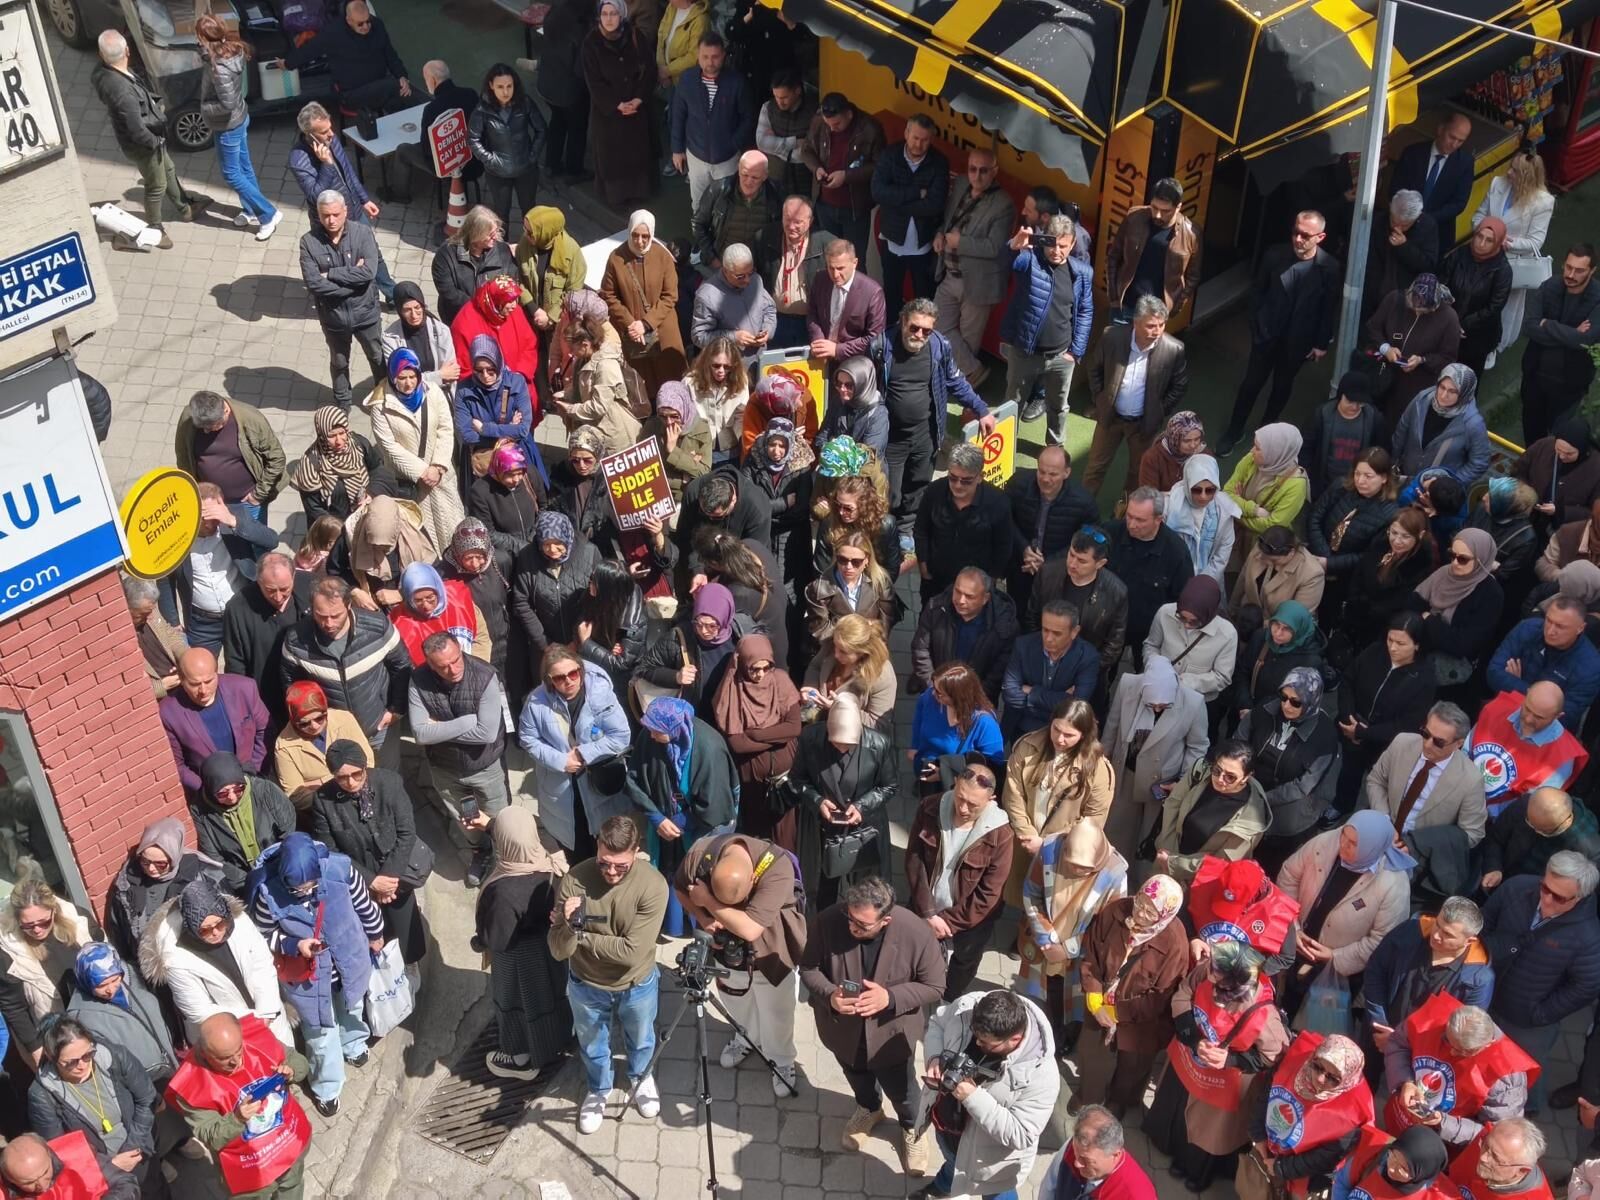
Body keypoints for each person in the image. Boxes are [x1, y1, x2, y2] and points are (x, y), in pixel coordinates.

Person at [799, 875, 944, 1173]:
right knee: (856, 1075)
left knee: (903, 1089)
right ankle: (869, 1108)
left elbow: (935, 986)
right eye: (850, 918)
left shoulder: (915, 931)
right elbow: (809, 968)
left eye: (863, 925)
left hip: (890, 1035)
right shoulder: (828, 921)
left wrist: (889, 998)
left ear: (886, 920)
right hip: (843, 1029)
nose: (853, 927)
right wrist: (830, 996)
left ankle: (912, 1128)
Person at [247, 834, 383, 1117]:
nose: (306, 892)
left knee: (352, 1005)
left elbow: (364, 906)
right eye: (297, 889)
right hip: (307, 978)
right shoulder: (267, 893)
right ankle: (327, 1087)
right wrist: (292, 945)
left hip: (348, 960)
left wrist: (376, 933)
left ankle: (354, 1043)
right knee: (319, 1032)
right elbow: (261, 935)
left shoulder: (341, 869)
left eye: (312, 885)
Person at [545, 814, 667, 1129]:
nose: (611, 872)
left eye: (620, 866)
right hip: (586, 984)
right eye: (603, 863)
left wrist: (583, 935)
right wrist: (570, 926)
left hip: (636, 984)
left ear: (636, 851)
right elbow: (559, 950)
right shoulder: (574, 881)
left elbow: (631, 953)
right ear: (597, 849)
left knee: (641, 1038)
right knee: (591, 1043)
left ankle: (641, 1077)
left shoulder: (653, 886)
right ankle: (599, 1088)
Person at [1145, 939, 1290, 1192]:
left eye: (1217, 973)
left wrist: (1230, 1059)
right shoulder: (1209, 970)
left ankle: (1196, 1172)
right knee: (1177, 1111)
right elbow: (1184, 994)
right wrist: (1193, 1038)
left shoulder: (1263, 1015)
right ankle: (1171, 1151)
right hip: (1189, 1060)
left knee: (1208, 1131)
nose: (1208, 973)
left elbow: (1273, 1056)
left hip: (1223, 1082)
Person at [674, 830, 806, 1093]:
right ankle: (746, 1036)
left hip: (770, 950)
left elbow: (749, 929)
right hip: (725, 950)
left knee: (776, 1010)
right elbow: (680, 890)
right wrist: (704, 919)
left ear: (752, 880)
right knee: (734, 996)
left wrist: (709, 902)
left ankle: (780, 1059)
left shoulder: (777, 867)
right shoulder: (700, 855)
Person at [1482, 853, 1600, 1111]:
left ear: (1579, 898)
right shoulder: (1517, 887)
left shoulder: (1587, 937)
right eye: (1545, 888)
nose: (1546, 899)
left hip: (1528, 1022)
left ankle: (1526, 1111)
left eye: (1559, 897)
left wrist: (1541, 1013)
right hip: (1486, 997)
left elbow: (1586, 986)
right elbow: (1486, 921)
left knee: (1524, 1072)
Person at [918, 989, 1059, 1199]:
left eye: (986, 1043)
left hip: (989, 1163)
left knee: (998, 1194)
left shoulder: (1042, 1076)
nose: (977, 1044)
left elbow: (1021, 1134)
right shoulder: (966, 1008)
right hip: (949, 1133)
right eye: (975, 1036)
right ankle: (940, 1188)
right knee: (953, 1164)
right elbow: (937, 1024)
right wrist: (934, 1058)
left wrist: (972, 1097)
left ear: (1015, 1039)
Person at [1220, 211, 1341, 455]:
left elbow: (1328, 307)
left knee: (1282, 387)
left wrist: (1321, 342)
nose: (1298, 239)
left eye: (1305, 235)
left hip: (1298, 342)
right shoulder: (1275, 255)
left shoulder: (1329, 268)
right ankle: (1234, 431)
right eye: (1295, 232)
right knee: (1251, 384)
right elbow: (1257, 292)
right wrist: (1257, 325)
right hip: (1267, 335)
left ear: (1320, 237)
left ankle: (1266, 433)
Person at [1277, 811, 1413, 1021]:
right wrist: (1291, 925)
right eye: (1344, 836)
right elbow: (1289, 874)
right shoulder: (1326, 842)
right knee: (1279, 1000)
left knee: (1313, 1024)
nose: (1343, 844)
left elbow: (1382, 941)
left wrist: (1334, 957)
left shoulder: (1394, 885)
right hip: (1295, 941)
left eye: (1353, 843)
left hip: (1339, 971)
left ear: (1373, 847)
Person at [165, 1013, 311, 1198]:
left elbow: (299, 1062)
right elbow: (211, 1136)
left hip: (287, 1147)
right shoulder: (192, 1084)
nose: (236, 1061)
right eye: (225, 1058)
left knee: (292, 1187)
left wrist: (291, 1071)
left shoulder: (257, 1038)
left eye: (239, 1051)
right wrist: (237, 1119)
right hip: (252, 1171)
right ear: (204, 1053)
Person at [309, 741, 428, 968]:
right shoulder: (323, 800)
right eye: (342, 777)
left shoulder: (389, 783)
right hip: (360, 880)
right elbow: (330, 850)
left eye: (357, 774)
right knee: (374, 935)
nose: (351, 782)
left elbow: (406, 832)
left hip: (396, 875)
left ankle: (411, 967)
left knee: (405, 931)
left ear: (365, 767)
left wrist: (389, 879)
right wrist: (372, 881)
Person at [28, 1017, 176, 1200]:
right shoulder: (42, 1095)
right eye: (71, 1062)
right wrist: (111, 1165)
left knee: (154, 1189)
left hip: (138, 1146)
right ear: (51, 1057)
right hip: (100, 1168)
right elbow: (61, 1148)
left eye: (87, 1055)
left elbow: (146, 1098)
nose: (82, 1065)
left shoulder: (114, 1056)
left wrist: (133, 1146)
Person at [138, 875, 292, 1050]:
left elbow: (263, 966)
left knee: (290, 1067)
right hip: (226, 1042)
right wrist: (256, 1021)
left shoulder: (241, 923)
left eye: (220, 924)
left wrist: (267, 1012)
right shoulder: (175, 957)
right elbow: (198, 1010)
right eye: (204, 930)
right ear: (191, 927)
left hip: (271, 1018)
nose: (216, 933)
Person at [91, 31, 211, 251]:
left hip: (148, 140)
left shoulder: (102, 73)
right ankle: (155, 229)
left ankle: (186, 209)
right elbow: (136, 129)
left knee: (169, 169)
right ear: (127, 50)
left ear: (101, 54)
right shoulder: (122, 91)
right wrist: (155, 141)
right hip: (145, 145)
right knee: (156, 186)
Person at [905, 762, 1013, 999]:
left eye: (973, 804)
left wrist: (946, 923)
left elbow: (989, 894)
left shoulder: (1001, 835)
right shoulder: (930, 807)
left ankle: (950, 996)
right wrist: (928, 912)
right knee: (913, 947)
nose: (963, 808)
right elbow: (914, 860)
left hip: (971, 920)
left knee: (965, 960)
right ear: (955, 785)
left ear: (991, 799)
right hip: (925, 907)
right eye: (960, 797)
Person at [279, 577, 413, 766]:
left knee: (388, 778)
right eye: (321, 616)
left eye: (336, 615)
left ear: (349, 606)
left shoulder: (377, 627)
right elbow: (291, 682)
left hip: (379, 727)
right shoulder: (296, 640)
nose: (329, 623)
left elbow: (402, 665)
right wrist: (312, 721)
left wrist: (396, 709)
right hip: (335, 733)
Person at [636, 698, 739, 935]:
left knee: (698, 877)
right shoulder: (652, 734)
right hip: (665, 823)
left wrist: (680, 822)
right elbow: (634, 780)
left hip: (702, 828)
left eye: (656, 731)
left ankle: (700, 927)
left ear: (674, 728)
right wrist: (656, 817)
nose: (651, 735)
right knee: (669, 870)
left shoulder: (709, 749)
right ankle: (673, 926)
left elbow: (716, 807)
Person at [788, 693, 896, 906]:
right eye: (836, 743)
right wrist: (817, 801)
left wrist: (862, 806)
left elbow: (889, 786)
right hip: (823, 829)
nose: (841, 749)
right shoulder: (811, 738)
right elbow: (796, 779)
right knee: (822, 888)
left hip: (864, 828)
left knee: (868, 889)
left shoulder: (879, 743)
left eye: (848, 745)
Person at [1382, 999, 1536, 1148]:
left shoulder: (1507, 1077)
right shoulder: (1431, 1019)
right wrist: (1405, 1081)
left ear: (1487, 1044)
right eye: (1447, 1041)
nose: (1452, 1052)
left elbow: (1495, 1132)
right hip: (1400, 1117)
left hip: (1441, 1143)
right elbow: (1398, 1044)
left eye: (1463, 1051)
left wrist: (1443, 1122)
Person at [1001, 699, 1113, 898]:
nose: (1060, 739)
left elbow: (1093, 819)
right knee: (1015, 894)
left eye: (1069, 735)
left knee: (1045, 906)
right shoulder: (1028, 746)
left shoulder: (1098, 768)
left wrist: (1047, 844)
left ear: (1084, 735)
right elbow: (1013, 794)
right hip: (1024, 840)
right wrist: (1027, 833)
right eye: (1056, 729)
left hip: (1062, 852)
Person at [1101, 655, 1209, 861]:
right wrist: (1104, 754)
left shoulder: (1193, 702)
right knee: (1117, 829)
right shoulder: (1127, 684)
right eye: (1152, 704)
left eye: (1163, 706)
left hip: (1162, 781)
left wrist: (1182, 782)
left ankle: (1143, 882)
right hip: (1125, 771)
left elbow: (1197, 746)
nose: (1157, 709)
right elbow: (1113, 721)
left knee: (1151, 837)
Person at [1084, 295, 1189, 500]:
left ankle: (1124, 516)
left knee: (1137, 475)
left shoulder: (1174, 349)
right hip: (1111, 418)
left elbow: (1180, 384)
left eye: (1161, 325)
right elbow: (1094, 368)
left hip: (1144, 425)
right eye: (1151, 326)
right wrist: (1101, 399)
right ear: (1136, 322)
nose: (1157, 331)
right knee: (1094, 469)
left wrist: (1159, 409)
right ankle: (1082, 510)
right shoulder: (1112, 337)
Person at [1244, 1032, 1373, 1199]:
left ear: (1346, 1081)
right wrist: (1259, 1137)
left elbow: (1325, 1157)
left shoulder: (1354, 1113)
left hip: (1307, 1176)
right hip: (1268, 1151)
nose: (1319, 1079)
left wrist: (1281, 1168)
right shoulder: (1294, 1061)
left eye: (1332, 1078)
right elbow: (1266, 1096)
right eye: (1318, 1067)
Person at [1000, 215, 1094, 442]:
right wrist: (1013, 246)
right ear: (1043, 240)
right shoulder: (1029, 260)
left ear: (1072, 245)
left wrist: (1075, 352)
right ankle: (1004, 452)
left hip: (1062, 356)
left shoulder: (1082, 272)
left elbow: (1085, 311)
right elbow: (1005, 263)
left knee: (1059, 407)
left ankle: (1055, 447)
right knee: (1012, 405)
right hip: (1025, 353)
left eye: (1063, 246)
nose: (1056, 251)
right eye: (1051, 244)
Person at [1240, 667, 1341, 876]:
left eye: (1296, 702)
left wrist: (1261, 798)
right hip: (1246, 791)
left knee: (1264, 868)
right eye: (1283, 697)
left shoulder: (1324, 736)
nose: (1286, 705)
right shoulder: (1266, 708)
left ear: (1311, 701)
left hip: (1285, 814)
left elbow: (1304, 785)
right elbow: (1240, 740)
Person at [1334, 613, 1437, 816]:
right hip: (1353, 728)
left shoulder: (1424, 678)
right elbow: (1348, 681)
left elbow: (1408, 724)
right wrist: (1348, 717)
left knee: (1379, 788)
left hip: (1385, 745)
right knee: (1348, 773)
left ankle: (1368, 823)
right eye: (1390, 640)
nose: (1392, 647)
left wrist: (1364, 733)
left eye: (1401, 643)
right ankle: (1340, 806)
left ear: (1417, 645)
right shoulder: (1375, 652)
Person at [159, 484, 280, 654]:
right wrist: (172, 621)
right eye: (204, 517)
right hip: (202, 622)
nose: (210, 523)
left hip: (241, 611)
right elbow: (164, 579)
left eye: (214, 516)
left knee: (248, 663)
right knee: (201, 672)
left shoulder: (235, 515)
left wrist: (232, 521)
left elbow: (271, 540)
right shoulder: (175, 537)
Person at [366, 348, 466, 551]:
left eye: (413, 376)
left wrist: (438, 466)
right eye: (402, 377)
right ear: (393, 376)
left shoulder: (433, 392)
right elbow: (389, 446)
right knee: (421, 536)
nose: (409, 383)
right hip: (410, 481)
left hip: (441, 475)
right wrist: (422, 471)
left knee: (453, 527)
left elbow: (446, 429)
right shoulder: (380, 405)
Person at [1364, 896, 1494, 1049]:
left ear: (1469, 941)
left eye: (1447, 934)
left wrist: (1399, 1042)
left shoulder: (1479, 979)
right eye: (1437, 925)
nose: (1436, 935)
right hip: (1377, 1033)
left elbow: (1462, 1029)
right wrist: (1380, 1024)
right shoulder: (1410, 932)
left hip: (1421, 1052)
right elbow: (1376, 972)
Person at [299, 189, 388, 409]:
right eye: (326, 215)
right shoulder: (308, 242)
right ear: (318, 215)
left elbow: (368, 273)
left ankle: (385, 394)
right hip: (334, 318)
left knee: (377, 356)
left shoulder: (363, 233)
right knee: (339, 362)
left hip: (366, 313)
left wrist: (331, 274)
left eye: (336, 214)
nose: (331, 220)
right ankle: (342, 404)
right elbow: (314, 284)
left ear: (345, 211)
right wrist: (355, 285)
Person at [932, 147, 1015, 383]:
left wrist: (961, 243)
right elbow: (947, 220)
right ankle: (974, 371)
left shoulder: (1004, 204)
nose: (977, 176)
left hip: (979, 283)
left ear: (994, 171)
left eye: (983, 171)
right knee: (935, 323)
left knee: (969, 340)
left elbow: (995, 247)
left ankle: (963, 383)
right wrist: (941, 234)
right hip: (950, 275)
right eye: (972, 169)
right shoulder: (959, 185)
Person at [1364, 701, 1486, 847]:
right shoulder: (1402, 743)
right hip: (1379, 829)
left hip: (1420, 857)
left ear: (1458, 744)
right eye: (1425, 734)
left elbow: (1472, 834)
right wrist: (1383, 820)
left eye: (1439, 742)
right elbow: (1376, 780)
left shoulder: (1471, 780)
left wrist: (1418, 846)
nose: (1427, 744)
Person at [104, 819, 226, 966]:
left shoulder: (201, 876)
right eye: (145, 862)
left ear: (174, 857)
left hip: (197, 962)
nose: (151, 869)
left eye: (160, 864)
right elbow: (118, 932)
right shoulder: (126, 885)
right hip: (152, 969)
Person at [1475, 147, 1557, 364]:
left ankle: (1492, 346)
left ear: (1527, 176)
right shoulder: (1497, 184)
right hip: (1482, 254)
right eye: (1511, 167)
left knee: (1501, 308)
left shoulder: (1543, 202)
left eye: (1515, 171)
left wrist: (1504, 242)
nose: (1509, 173)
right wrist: (1485, 233)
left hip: (1510, 263)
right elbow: (1479, 215)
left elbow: (1534, 242)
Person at [1151, 741, 1270, 884]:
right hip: (1165, 858)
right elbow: (1173, 804)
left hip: (1198, 885)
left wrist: (1175, 863)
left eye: (1230, 777)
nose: (1220, 780)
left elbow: (1222, 862)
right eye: (1217, 770)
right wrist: (1167, 851)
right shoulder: (1200, 772)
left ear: (1246, 777)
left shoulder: (1252, 821)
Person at [67, 944, 183, 1092]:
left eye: (115, 979)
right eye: (101, 985)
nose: (111, 989)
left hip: (172, 1070)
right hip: (142, 1087)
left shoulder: (134, 980)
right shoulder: (82, 1017)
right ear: (86, 982)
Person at [0, 881, 92, 1066]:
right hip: (60, 1037)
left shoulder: (79, 921)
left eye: (44, 922)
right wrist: (36, 1052)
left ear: (54, 910)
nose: (36, 930)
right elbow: (14, 1010)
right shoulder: (8, 952)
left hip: (97, 1018)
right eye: (27, 925)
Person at [158, 649, 270, 799]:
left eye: (209, 681)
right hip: (212, 795)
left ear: (217, 674)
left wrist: (253, 770)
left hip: (254, 780)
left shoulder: (244, 688)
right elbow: (177, 764)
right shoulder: (169, 712)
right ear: (182, 681)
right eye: (194, 684)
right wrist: (210, 789)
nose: (203, 690)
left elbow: (265, 731)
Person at [600, 212, 688, 393]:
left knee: (671, 382)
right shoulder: (616, 258)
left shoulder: (663, 257)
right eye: (635, 235)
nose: (640, 241)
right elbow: (609, 294)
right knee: (642, 386)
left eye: (645, 236)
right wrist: (630, 323)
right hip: (633, 335)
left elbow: (670, 295)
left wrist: (646, 323)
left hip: (663, 331)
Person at [914, 444, 1017, 600]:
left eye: (966, 481)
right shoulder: (934, 491)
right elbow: (921, 529)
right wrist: (923, 564)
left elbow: (1004, 545)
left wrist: (992, 578)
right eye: (953, 478)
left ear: (980, 477)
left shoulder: (998, 503)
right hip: (936, 580)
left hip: (974, 588)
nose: (957, 485)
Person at [1522, 243, 1600, 444]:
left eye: (1579, 270)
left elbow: (1585, 340)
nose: (1571, 274)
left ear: (1592, 271)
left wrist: (1546, 324)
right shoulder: (1550, 286)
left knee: (1559, 441)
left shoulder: (1597, 299)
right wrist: (1571, 334)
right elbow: (1530, 326)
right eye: (1568, 267)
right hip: (1535, 377)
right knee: (1531, 435)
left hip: (1569, 386)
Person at [668, 32, 753, 218]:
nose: (710, 62)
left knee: (727, 206)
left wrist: (734, 144)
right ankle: (700, 242)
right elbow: (678, 114)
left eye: (715, 57)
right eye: (705, 57)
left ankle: (721, 244)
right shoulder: (687, 79)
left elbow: (748, 118)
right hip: (696, 156)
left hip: (727, 159)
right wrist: (677, 149)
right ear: (698, 55)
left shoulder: (737, 82)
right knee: (698, 203)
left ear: (723, 55)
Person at [1027, 527, 1129, 678]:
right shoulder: (1048, 574)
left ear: (1100, 563)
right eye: (1071, 554)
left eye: (1082, 561)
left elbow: (1114, 644)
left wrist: (1085, 672)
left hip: (1085, 671)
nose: (1072, 564)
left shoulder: (1116, 593)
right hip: (1043, 663)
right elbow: (1032, 618)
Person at [1471, 690, 1588, 821]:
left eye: (1539, 717)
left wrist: (1483, 811)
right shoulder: (1498, 710)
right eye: (1527, 708)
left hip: (1490, 817)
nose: (1528, 719)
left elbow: (1529, 805)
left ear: (1557, 716)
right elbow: (1466, 750)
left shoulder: (1562, 757)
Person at [190, 751, 295, 896]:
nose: (232, 797)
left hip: (282, 868)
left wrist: (276, 869)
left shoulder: (265, 790)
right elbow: (215, 859)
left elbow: (289, 831)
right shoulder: (201, 812)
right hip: (244, 884)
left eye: (238, 789)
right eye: (222, 793)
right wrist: (250, 882)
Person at [1006, 446, 1099, 609]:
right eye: (1041, 472)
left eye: (1053, 474)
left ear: (1066, 473)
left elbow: (1088, 539)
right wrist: (1023, 548)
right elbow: (1006, 519)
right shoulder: (1018, 485)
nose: (1045, 479)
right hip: (1021, 567)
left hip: (1059, 575)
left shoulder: (1083, 502)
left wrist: (1050, 562)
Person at [871, 114, 949, 307]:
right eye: (915, 138)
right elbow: (878, 192)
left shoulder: (939, 162)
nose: (919, 144)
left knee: (924, 300)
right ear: (906, 133)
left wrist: (896, 202)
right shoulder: (890, 155)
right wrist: (916, 192)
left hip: (923, 243)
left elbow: (935, 205)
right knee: (891, 295)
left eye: (925, 140)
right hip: (892, 238)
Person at [220, 554, 306, 729]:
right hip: (266, 697)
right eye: (270, 590)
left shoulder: (308, 589)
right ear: (258, 582)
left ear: (293, 576)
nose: (278, 597)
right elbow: (235, 662)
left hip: (306, 694)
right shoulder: (238, 609)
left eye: (284, 589)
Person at [174, 391, 286, 525]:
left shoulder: (250, 420)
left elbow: (277, 458)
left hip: (247, 501)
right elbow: (182, 454)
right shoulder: (190, 416)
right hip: (211, 501)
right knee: (221, 543)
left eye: (213, 426)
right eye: (203, 427)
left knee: (255, 541)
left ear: (226, 411)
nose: (206, 431)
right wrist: (194, 488)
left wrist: (258, 494)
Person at [1108, 488, 1194, 661]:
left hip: (1150, 636)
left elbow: (1182, 599)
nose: (1131, 524)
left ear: (1158, 519)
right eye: (1129, 516)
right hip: (1109, 627)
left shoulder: (1176, 553)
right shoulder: (1110, 533)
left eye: (1140, 520)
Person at [582, 0, 654, 207]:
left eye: (613, 13)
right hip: (608, 116)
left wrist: (639, 98)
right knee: (613, 159)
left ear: (621, 14)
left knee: (637, 154)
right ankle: (617, 198)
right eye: (605, 14)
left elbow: (648, 70)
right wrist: (616, 105)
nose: (609, 18)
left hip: (636, 110)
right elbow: (594, 82)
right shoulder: (591, 43)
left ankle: (639, 193)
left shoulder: (634, 36)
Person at [1487, 594, 1600, 726]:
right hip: (1503, 713)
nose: (1551, 631)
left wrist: (1516, 684)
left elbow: (1567, 716)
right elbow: (1493, 673)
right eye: (1549, 621)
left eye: (1560, 626)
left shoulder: (1590, 666)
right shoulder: (1527, 628)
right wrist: (1546, 701)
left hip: (1544, 733)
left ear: (1580, 628)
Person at [910, 566, 1019, 699]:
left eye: (969, 596)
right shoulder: (936, 608)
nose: (960, 600)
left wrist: (973, 699)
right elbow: (920, 649)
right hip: (936, 692)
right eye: (957, 591)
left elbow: (999, 671)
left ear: (985, 598)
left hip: (976, 701)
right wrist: (933, 687)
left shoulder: (1004, 626)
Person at [1408, 529, 1504, 676]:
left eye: (1463, 559)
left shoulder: (1491, 594)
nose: (1455, 563)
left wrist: (1429, 619)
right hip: (1420, 645)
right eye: (1452, 555)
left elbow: (1464, 644)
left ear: (1481, 559)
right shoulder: (1444, 572)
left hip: (1451, 664)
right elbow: (1414, 602)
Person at [283, 0, 410, 111]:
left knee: (402, 87)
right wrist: (286, 64)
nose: (366, 27)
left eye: (368, 21)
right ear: (349, 20)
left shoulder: (377, 25)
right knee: (394, 88)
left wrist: (402, 75)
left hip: (377, 84)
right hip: (351, 93)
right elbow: (308, 51)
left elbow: (390, 55)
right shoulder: (333, 33)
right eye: (360, 24)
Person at [1000, 604, 1101, 739]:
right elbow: (1009, 693)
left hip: (1062, 734)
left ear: (1074, 632)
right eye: (1045, 630)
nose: (1048, 638)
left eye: (1057, 633)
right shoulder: (1023, 645)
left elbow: (1076, 706)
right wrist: (1061, 699)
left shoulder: (1088, 657)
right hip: (1021, 728)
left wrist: (1031, 692)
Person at [1105, 178, 1202, 319]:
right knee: (1117, 340)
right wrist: (1114, 296)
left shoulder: (1191, 234)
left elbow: (1193, 276)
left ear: (1178, 207)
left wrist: (1176, 306)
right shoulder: (1134, 218)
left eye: (1165, 211)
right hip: (1124, 305)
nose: (1157, 215)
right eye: (1154, 207)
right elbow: (1113, 256)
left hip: (1156, 315)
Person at [802, 93, 884, 253]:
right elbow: (806, 150)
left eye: (837, 124)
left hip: (854, 208)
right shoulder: (819, 121)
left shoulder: (870, 128)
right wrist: (817, 168)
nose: (832, 128)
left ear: (849, 114)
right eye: (828, 124)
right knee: (828, 256)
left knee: (854, 259)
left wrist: (847, 176)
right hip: (824, 204)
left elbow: (879, 166)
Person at [274, 680, 374, 813]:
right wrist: (345, 779)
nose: (314, 726)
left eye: (319, 718)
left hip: (360, 796)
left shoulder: (344, 719)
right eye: (304, 723)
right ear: (293, 720)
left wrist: (319, 783)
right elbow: (296, 795)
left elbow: (368, 763)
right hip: (322, 811)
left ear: (326, 710)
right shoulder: (284, 745)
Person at [468, 65, 546, 230]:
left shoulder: (524, 103)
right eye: (500, 87)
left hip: (526, 169)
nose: (505, 92)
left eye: (509, 86)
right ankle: (501, 251)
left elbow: (541, 129)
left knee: (530, 212)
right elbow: (473, 139)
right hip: (498, 173)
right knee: (501, 213)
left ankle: (531, 248)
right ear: (491, 86)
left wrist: (532, 156)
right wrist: (491, 160)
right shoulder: (482, 110)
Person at [1483, 786, 1600, 895]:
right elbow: (1496, 838)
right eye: (1530, 822)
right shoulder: (1526, 806)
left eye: (1543, 830)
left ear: (1566, 823)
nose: (1534, 831)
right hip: (1501, 882)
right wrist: (1493, 867)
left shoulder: (1587, 849)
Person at [1391, 363, 1491, 490]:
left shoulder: (1473, 424)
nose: (1443, 395)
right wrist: (1393, 462)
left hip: (1434, 494)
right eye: (1442, 387)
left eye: (1452, 391)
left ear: (1464, 394)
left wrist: (1448, 484)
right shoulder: (1422, 400)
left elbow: (1480, 462)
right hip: (1403, 479)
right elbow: (1402, 430)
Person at [290, 406, 396, 526]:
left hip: (368, 518)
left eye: (342, 433)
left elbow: (378, 470)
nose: (339, 441)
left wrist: (371, 493)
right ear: (322, 435)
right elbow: (314, 510)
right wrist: (339, 530)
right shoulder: (310, 465)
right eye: (332, 436)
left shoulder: (358, 444)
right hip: (336, 531)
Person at [909, 661, 1005, 793]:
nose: (933, 694)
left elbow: (993, 766)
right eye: (934, 687)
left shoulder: (984, 723)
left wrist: (946, 774)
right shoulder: (930, 698)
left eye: (939, 693)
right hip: (926, 772)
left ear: (958, 697)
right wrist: (915, 746)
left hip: (958, 788)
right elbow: (920, 714)